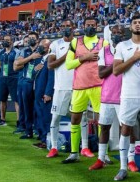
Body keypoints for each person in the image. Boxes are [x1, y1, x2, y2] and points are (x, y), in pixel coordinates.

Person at [112, 14, 140, 181]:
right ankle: (123, 167)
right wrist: (134, 57)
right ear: (130, 27)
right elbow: (116, 70)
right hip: (129, 95)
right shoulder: (122, 46)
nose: (138, 25)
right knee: (125, 130)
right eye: (135, 23)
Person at [62, 17, 102, 163]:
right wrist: (85, 57)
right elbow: (68, 65)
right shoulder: (75, 42)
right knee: (75, 119)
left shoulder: (104, 43)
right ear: (83, 26)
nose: (90, 27)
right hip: (79, 87)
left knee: (101, 121)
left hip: (98, 85)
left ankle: (102, 155)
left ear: (97, 27)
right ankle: (74, 152)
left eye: (93, 25)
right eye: (87, 25)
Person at [46, 20, 87, 158]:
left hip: (78, 86)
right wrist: (68, 54)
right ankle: (54, 147)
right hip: (61, 87)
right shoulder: (55, 44)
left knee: (83, 117)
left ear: (73, 27)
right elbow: (50, 65)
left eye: (68, 26)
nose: (65, 28)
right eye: (63, 26)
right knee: (56, 117)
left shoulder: (81, 43)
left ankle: (85, 147)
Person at [89, 24, 124, 170]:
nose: (116, 35)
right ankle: (101, 158)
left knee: (127, 129)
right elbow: (101, 73)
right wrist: (117, 63)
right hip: (108, 96)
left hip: (125, 96)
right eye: (114, 32)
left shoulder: (130, 49)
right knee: (104, 127)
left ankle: (130, 160)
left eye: (119, 33)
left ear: (124, 35)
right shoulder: (104, 50)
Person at [13, 32, 43, 139]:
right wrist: (31, 57)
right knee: (26, 108)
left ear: (38, 40)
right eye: (29, 38)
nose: (31, 40)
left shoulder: (42, 51)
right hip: (26, 83)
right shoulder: (24, 51)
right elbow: (17, 64)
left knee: (38, 108)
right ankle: (28, 131)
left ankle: (40, 132)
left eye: (33, 38)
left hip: (38, 83)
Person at [33, 39, 53, 149]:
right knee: (39, 117)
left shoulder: (51, 59)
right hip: (38, 93)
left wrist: (48, 93)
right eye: (40, 46)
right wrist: (35, 70)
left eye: (43, 47)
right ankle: (42, 138)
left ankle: (46, 141)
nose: (41, 48)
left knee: (46, 118)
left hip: (45, 94)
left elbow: (51, 78)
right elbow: (33, 74)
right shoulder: (41, 60)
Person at [0, 35, 19, 128]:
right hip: (3, 78)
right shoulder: (1, 52)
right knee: (2, 99)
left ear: (12, 42)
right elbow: (0, 64)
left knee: (16, 100)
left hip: (14, 78)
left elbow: (17, 64)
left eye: (8, 40)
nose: (6, 41)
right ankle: (2, 119)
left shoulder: (16, 52)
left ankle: (19, 121)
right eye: (4, 40)